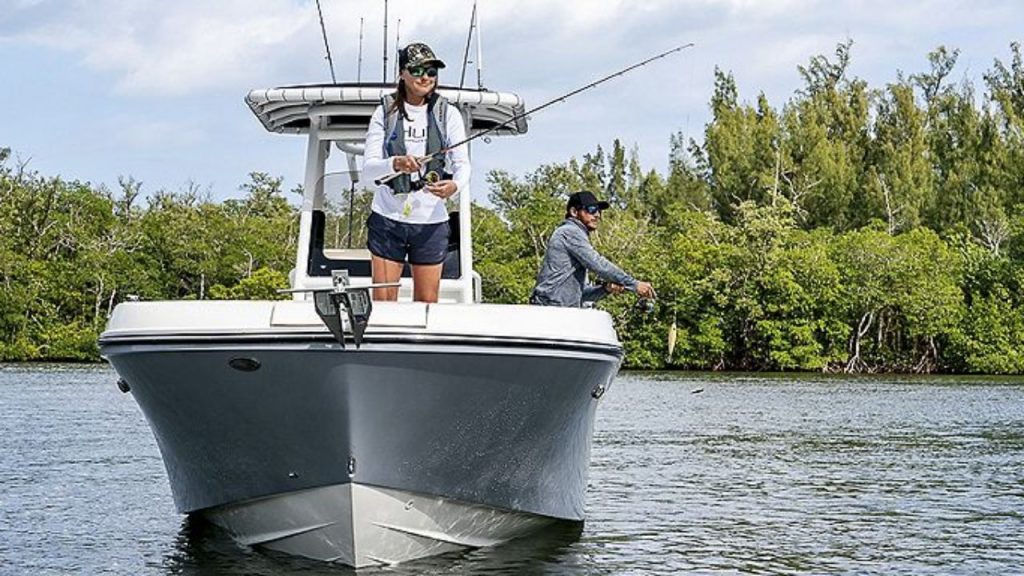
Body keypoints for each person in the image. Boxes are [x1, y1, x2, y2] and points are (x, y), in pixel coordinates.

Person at [361, 42, 470, 303]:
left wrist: (454, 186)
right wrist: (396, 163)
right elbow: (368, 173)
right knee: (384, 301)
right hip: (388, 218)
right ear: (402, 73)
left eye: (431, 71)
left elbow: (462, 165)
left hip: (431, 222)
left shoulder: (449, 113)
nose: (425, 77)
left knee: (426, 304)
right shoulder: (383, 112)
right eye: (418, 69)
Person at [530, 191, 656, 307]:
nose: (597, 215)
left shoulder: (576, 237)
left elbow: (582, 295)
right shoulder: (569, 232)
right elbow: (598, 264)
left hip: (559, 310)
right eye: (591, 209)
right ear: (574, 212)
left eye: (599, 211)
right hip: (549, 309)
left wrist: (605, 289)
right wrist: (634, 284)